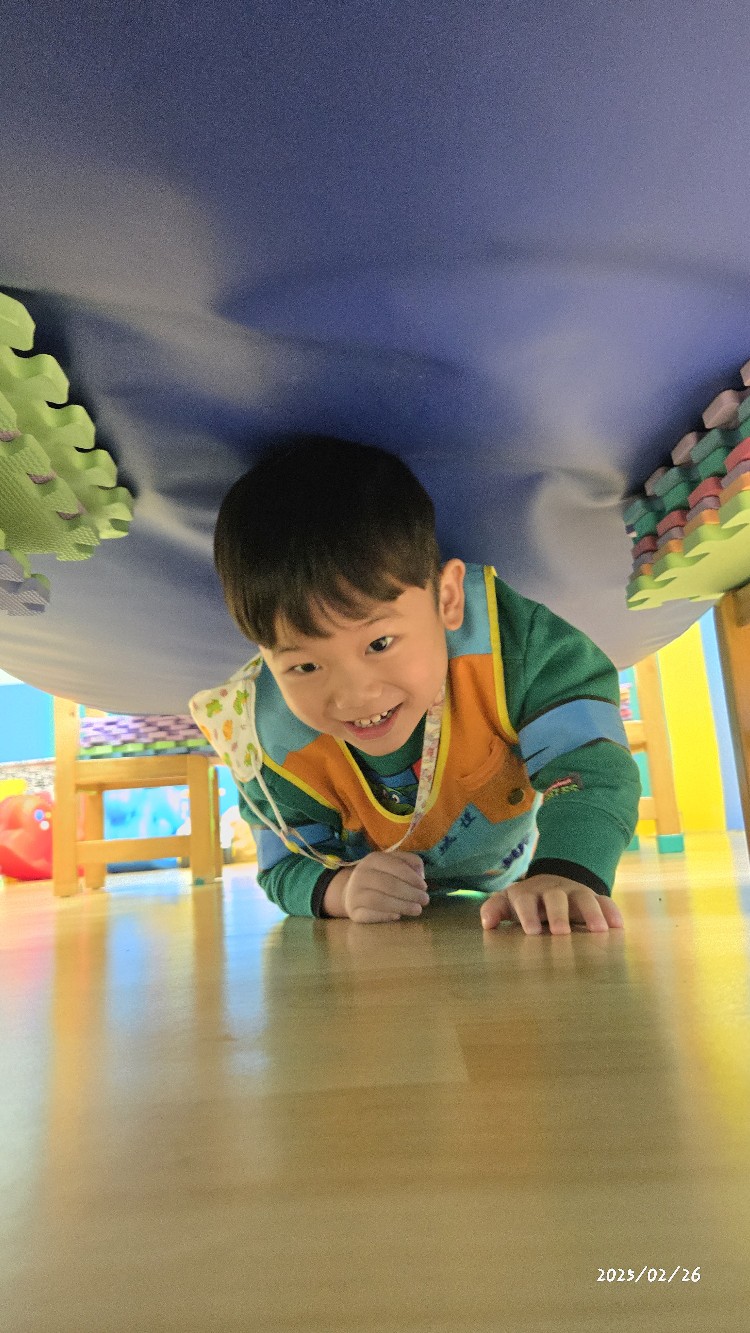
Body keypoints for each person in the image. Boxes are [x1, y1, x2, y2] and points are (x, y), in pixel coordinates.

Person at [190, 435, 640, 935]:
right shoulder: (272, 743)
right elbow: (282, 868)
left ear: (447, 600)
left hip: (520, 862)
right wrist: (341, 890)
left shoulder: (513, 647)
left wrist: (566, 871)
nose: (354, 696)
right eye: (306, 667)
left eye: (379, 643)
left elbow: (591, 766)